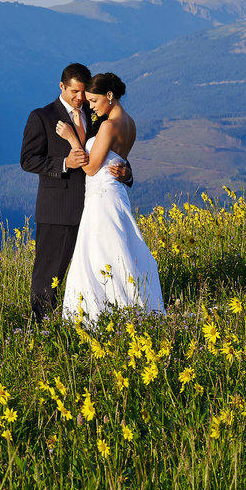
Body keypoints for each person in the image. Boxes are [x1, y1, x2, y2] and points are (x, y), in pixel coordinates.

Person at [19, 63, 131, 323]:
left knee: (91, 271)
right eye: (74, 92)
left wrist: (127, 173)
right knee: (49, 272)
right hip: (58, 209)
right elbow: (27, 160)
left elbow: (110, 154)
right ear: (62, 87)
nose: (80, 98)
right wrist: (63, 164)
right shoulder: (42, 116)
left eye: (84, 92)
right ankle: (40, 325)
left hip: (94, 209)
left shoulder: (98, 116)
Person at [56, 71, 164, 324]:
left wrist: (72, 139)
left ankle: (99, 313)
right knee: (118, 248)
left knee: (99, 252)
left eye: (94, 101)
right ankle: (125, 307)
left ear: (110, 96)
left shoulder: (108, 125)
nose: (91, 107)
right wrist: (125, 173)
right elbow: (119, 161)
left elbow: (92, 168)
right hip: (116, 193)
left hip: (101, 198)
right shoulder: (130, 123)